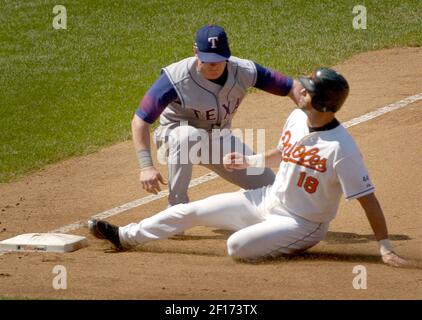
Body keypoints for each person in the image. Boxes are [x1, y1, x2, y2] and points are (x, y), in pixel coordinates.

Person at [89, 67, 407, 267]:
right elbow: (284, 152)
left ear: (322, 104)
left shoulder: (342, 150)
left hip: (302, 223)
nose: (301, 89)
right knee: (190, 212)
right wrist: (250, 162)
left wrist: (385, 246)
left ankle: (281, 242)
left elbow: (368, 198)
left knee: (237, 247)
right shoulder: (298, 117)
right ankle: (124, 236)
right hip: (267, 199)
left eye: (307, 90)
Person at [133, 24, 302, 206]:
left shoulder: (244, 70)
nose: (214, 65)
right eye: (208, 59)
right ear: (195, 52)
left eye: (219, 59)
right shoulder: (175, 78)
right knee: (188, 136)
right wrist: (146, 166)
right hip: (174, 139)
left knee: (270, 189)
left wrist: (310, 112)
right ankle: (176, 207)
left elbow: (290, 86)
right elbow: (140, 121)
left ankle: (239, 204)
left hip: (218, 139)